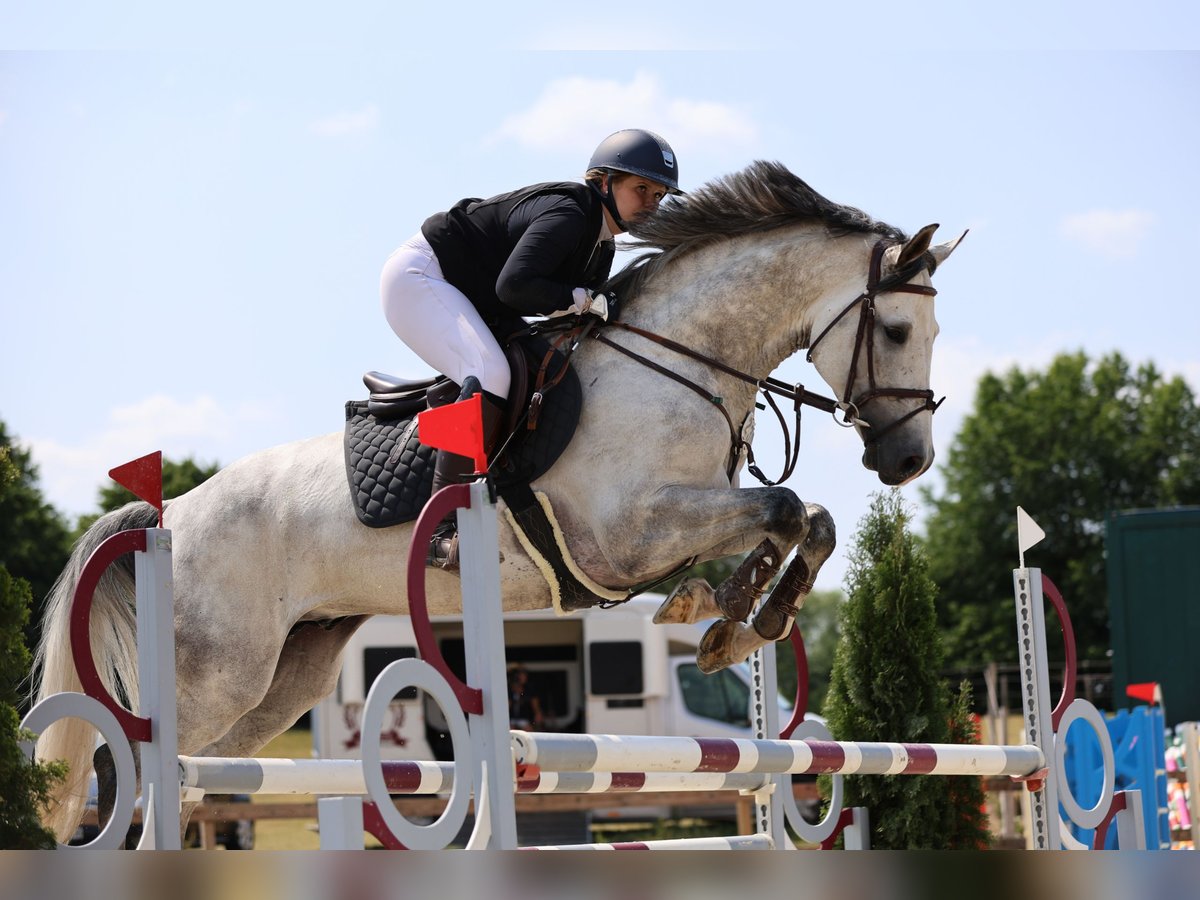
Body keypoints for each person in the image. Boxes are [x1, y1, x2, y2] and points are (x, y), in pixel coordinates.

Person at [380, 128, 683, 571]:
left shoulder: (602, 247)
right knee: (489, 372)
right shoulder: (570, 213)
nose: (652, 204)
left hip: (473, 295)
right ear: (603, 182)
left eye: (659, 196)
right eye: (642, 189)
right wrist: (583, 299)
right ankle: (440, 531)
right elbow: (515, 286)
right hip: (423, 277)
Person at [506, 663, 544, 730]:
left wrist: (535, 722)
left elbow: (536, 709)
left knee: (527, 729)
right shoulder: (507, 689)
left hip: (525, 721)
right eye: (522, 674)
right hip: (509, 720)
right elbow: (505, 710)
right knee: (510, 729)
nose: (525, 676)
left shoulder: (529, 690)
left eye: (525, 674)